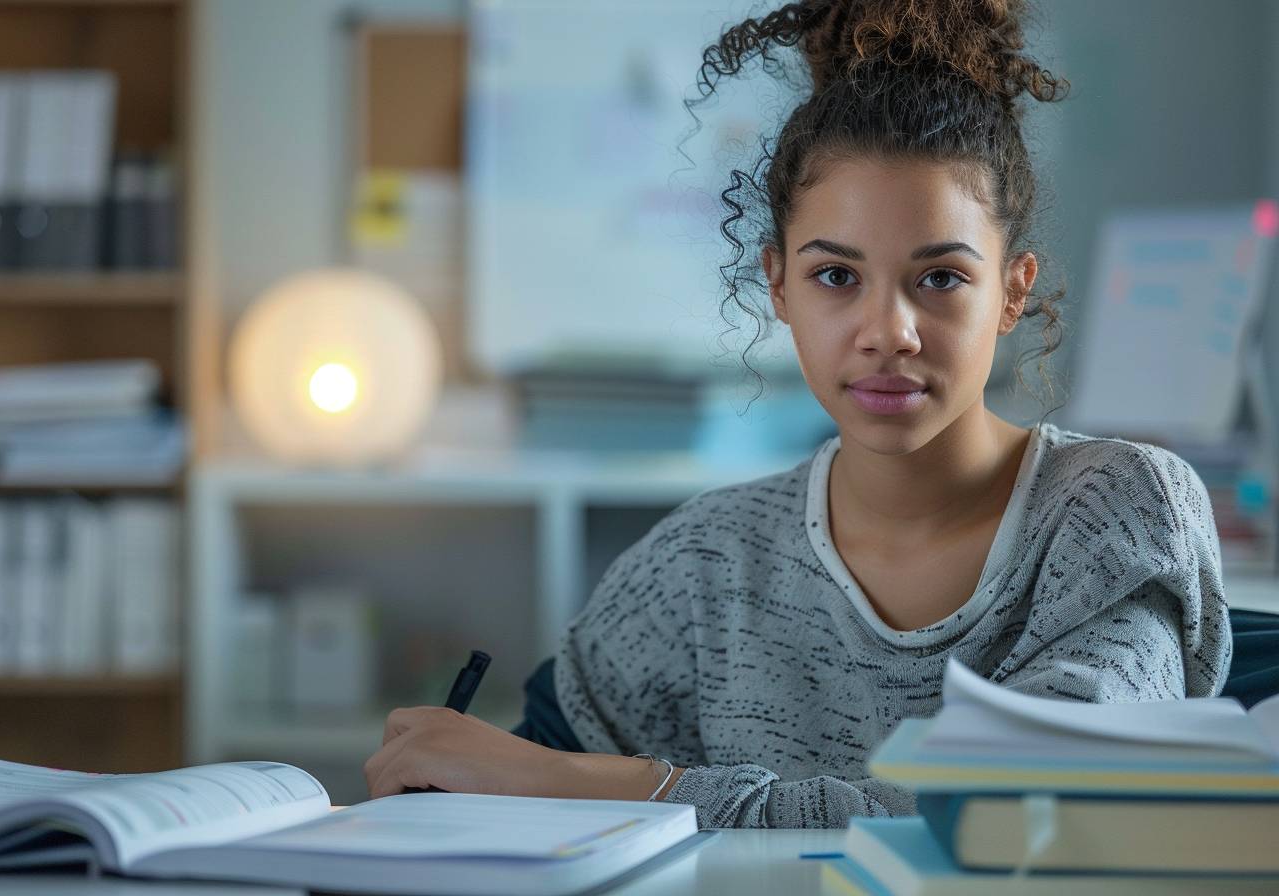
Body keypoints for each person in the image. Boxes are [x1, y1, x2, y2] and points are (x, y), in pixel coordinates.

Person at [362, 0, 1232, 828]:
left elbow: (1024, 815)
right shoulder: (701, 563)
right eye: (836, 276)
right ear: (778, 284)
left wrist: (602, 784)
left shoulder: (1116, 513)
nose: (888, 332)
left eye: (941, 278)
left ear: (1013, 291)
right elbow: (513, 779)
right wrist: (469, 782)